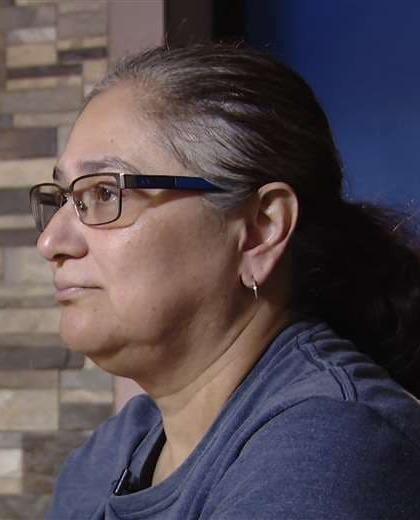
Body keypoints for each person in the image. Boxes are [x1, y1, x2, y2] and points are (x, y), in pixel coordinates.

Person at [29, 44, 420, 519]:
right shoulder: (105, 456)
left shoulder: (336, 451)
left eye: (106, 192)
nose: (50, 241)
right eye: (63, 198)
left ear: (259, 230)